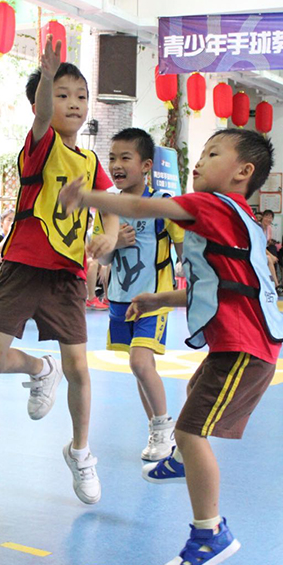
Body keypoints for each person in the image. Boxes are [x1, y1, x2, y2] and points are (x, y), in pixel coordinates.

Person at [59, 128, 283, 565]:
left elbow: (145, 207)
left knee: (190, 430)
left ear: (243, 172)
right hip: (243, 344)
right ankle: (182, 461)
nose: (199, 161)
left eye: (212, 153)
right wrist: (162, 299)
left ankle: (211, 531)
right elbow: (217, 287)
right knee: (192, 389)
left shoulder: (209, 205)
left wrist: (87, 196)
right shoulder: (240, 218)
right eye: (201, 153)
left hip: (246, 347)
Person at [0, 36, 119, 505]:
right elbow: (39, 115)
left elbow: (110, 206)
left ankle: (80, 451)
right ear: (43, 99)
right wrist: (47, 75)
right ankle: (39, 368)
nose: (73, 103)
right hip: (23, 266)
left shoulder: (92, 161)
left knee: (81, 367)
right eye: (62, 94)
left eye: (81, 97)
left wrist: (110, 235)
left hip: (67, 275)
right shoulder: (40, 144)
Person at [96, 127, 184, 461]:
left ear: (146, 165)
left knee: (140, 360)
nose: (116, 165)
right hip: (120, 299)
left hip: (153, 299)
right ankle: (157, 428)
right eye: (112, 158)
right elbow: (102, 257)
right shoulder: (107, 207)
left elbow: (184, 248)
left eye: (125, 158)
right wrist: (113, 241)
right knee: (138, 367)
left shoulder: (163, 205)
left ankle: (164, 429)